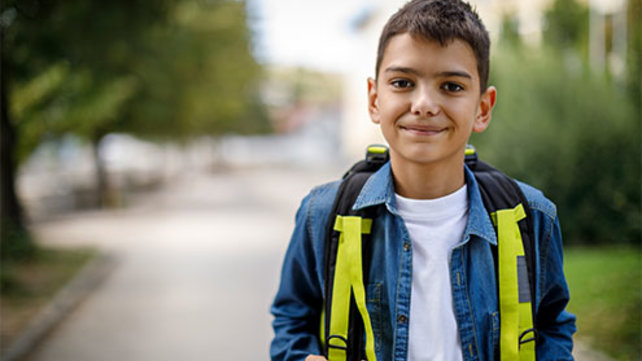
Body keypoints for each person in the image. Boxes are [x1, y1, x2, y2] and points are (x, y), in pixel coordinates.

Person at [270, 0, 576, 360]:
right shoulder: (322, 214)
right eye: (402, 83)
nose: (424, 104)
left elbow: (552, 324)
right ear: (374, 99)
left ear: (483, 108)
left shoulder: (532, 215)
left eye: (451, 86)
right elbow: (292, 319)